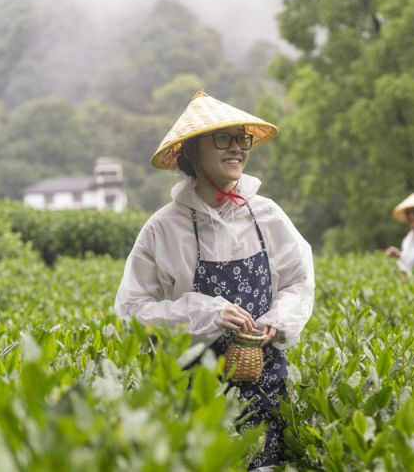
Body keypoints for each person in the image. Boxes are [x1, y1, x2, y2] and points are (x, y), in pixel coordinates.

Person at [114, 91, 315, 470]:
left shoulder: (266, 215)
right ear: (191, 152)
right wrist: (207, 312)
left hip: (265, 391)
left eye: (243, 138)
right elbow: (132, 313)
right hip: (195, 401)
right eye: (222, 139)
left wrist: (278, 319)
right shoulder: (163, 228)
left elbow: (297, 281)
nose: (236, 148)